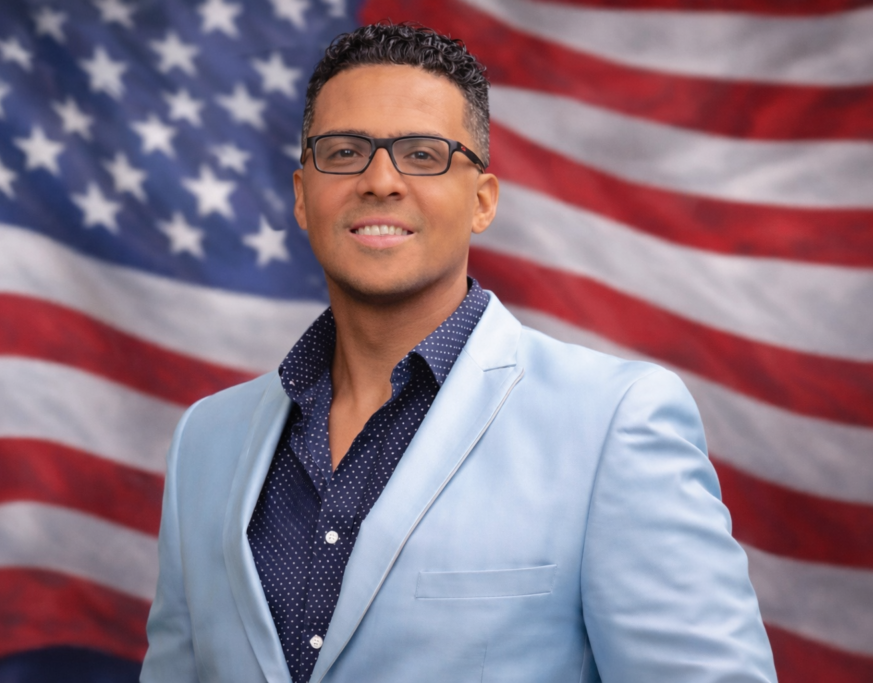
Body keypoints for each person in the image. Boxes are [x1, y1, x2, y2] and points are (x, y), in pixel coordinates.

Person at [141, 23, 777, 683]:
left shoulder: (613, 423)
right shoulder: (204, 441)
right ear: (302, 196)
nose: (380, 180)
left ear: (482, 201)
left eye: (422, 154)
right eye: (345, 151)